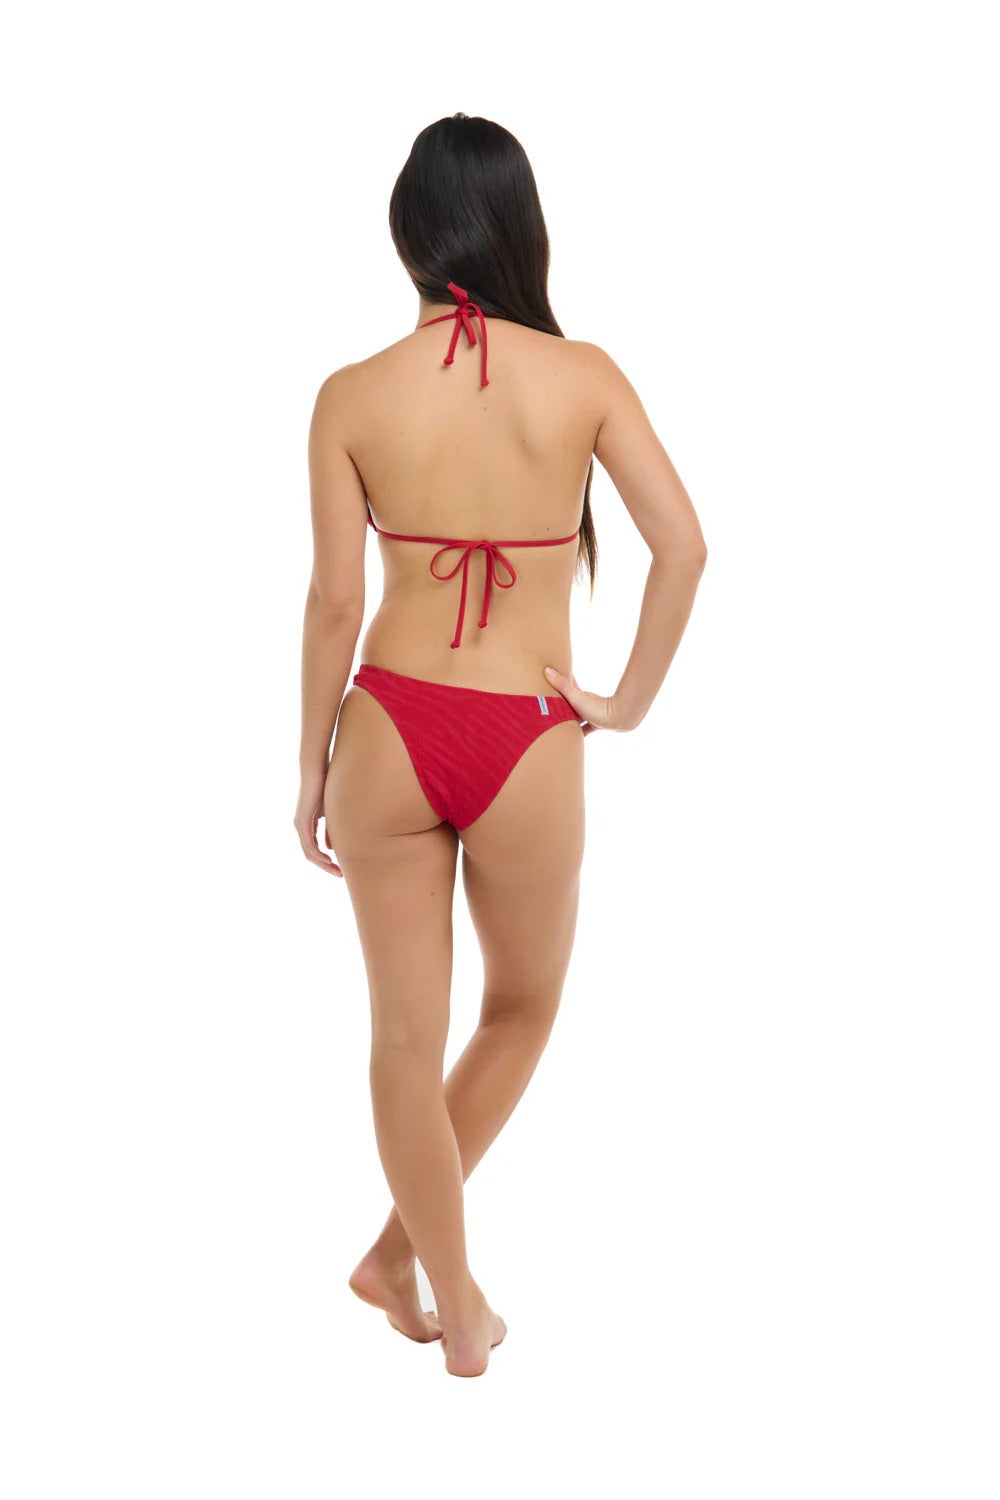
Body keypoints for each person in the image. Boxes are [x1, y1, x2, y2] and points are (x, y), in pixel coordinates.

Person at [294, 112, 708, 1378]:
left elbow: (335, 603)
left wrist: (308, 767)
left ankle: (410, 1268)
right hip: (531, 732)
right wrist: (622, 703)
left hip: (388, 724)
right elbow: (684, 547)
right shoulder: (582, 375)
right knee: (520, 1009)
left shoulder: (351, 394)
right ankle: (447, 1293)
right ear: (522, 227)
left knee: (400, 1042)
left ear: (407, 234)